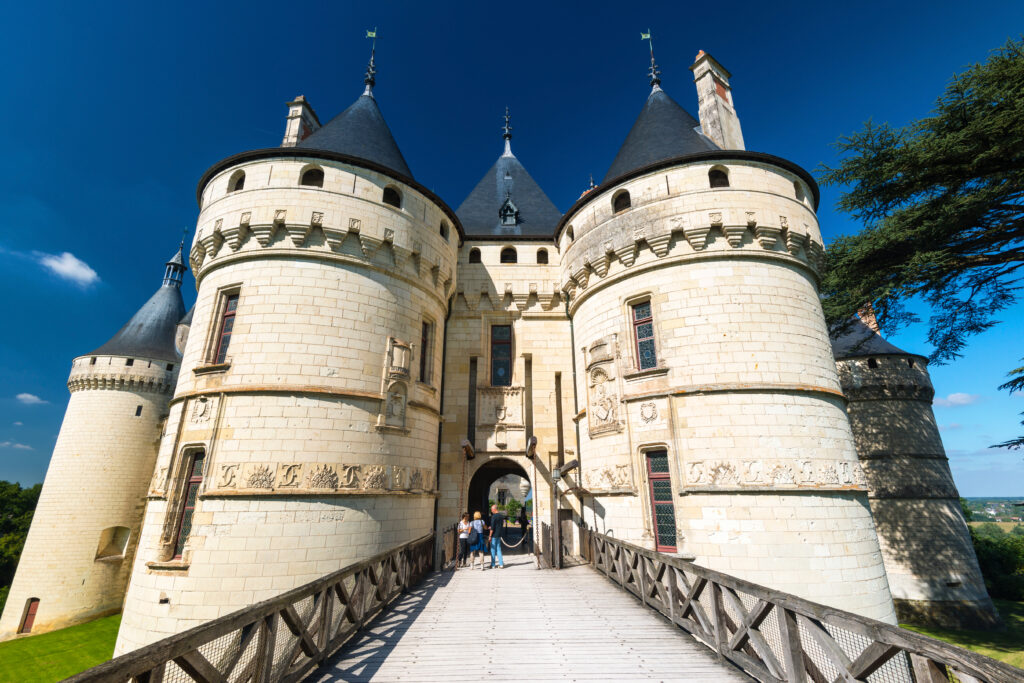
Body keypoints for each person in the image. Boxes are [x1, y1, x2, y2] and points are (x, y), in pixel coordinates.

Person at [489, 504, 506, 569]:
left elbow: (492, 527)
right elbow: (499, 525)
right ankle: (501, 564)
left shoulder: (494, 517)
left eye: (491, 509)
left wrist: (490, 535)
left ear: (494, 509)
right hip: (499, 534)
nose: (491, 511)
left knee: (493, 549)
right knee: (498, 549)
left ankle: (493, 564)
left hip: (494, 535)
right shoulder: (501, 516)